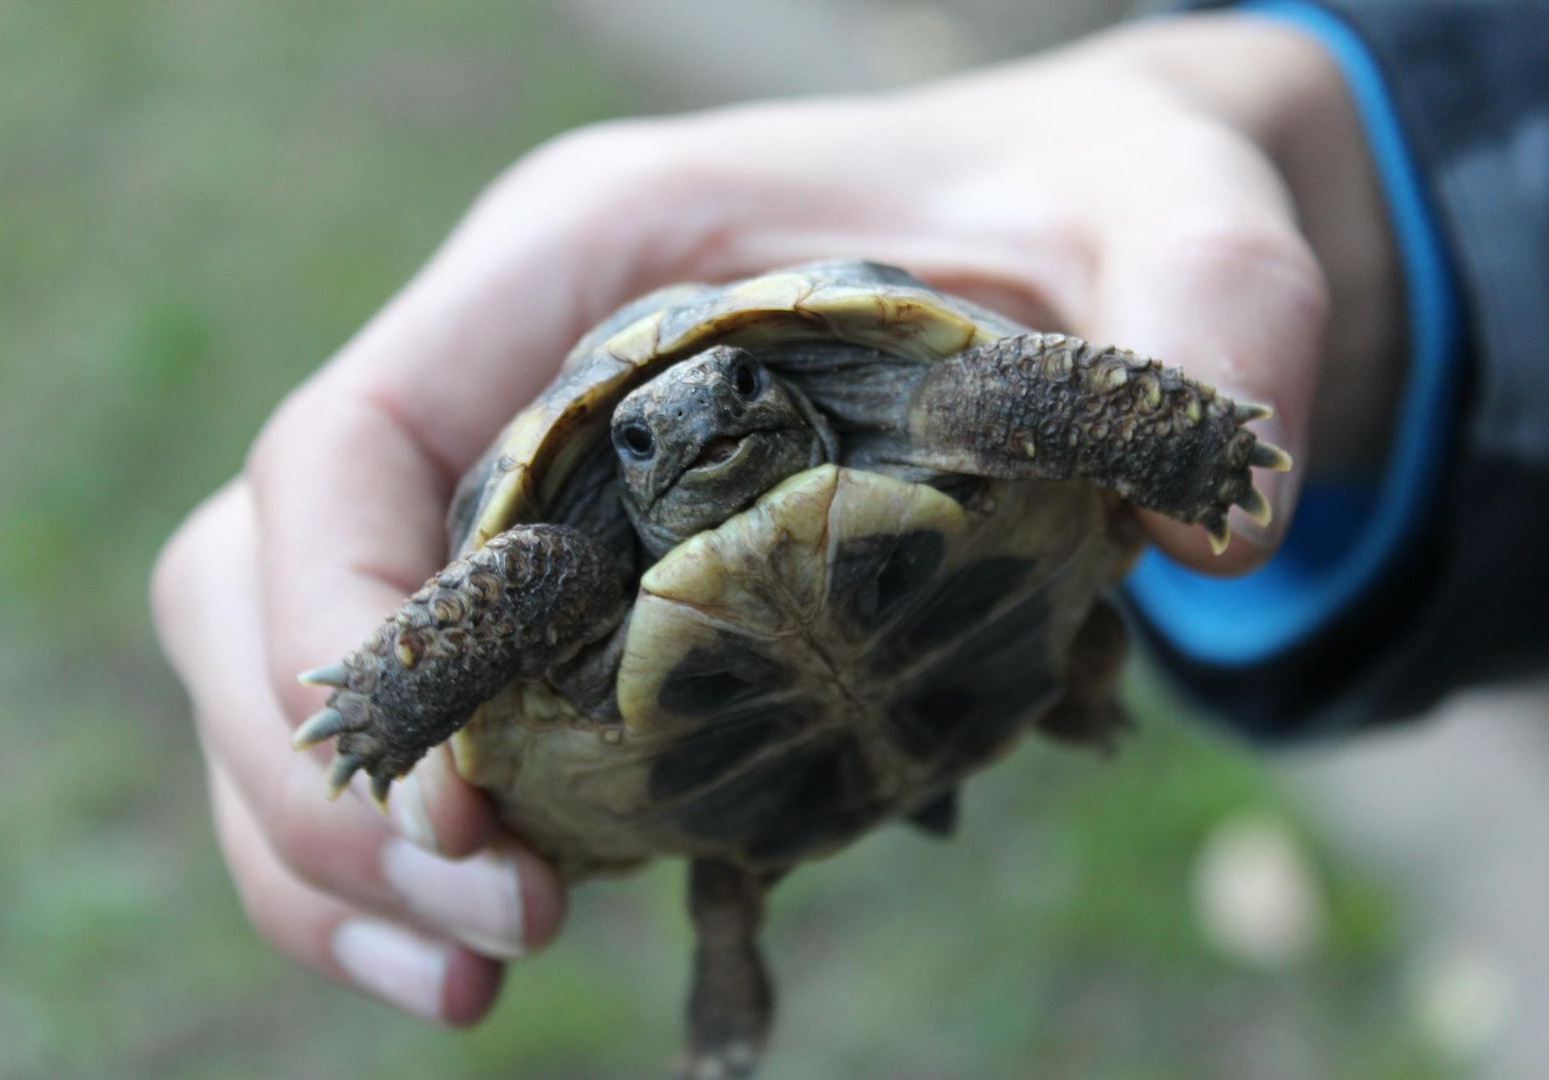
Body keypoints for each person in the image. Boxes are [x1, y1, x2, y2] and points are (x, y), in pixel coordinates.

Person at [150, 1, 1548, 1027]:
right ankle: (730, 997)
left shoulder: (913, 401)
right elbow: (496, 600)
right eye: (653, 431)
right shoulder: (569, 555)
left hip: (934, 643)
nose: (701, 420)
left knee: (1020, 405)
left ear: (783, 376)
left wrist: (1174, 431)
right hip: (782, 718)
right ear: (620, 460)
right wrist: (390, 696)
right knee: (696, 836)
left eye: (739, 385)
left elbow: (1014, 386)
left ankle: (1046, 712)